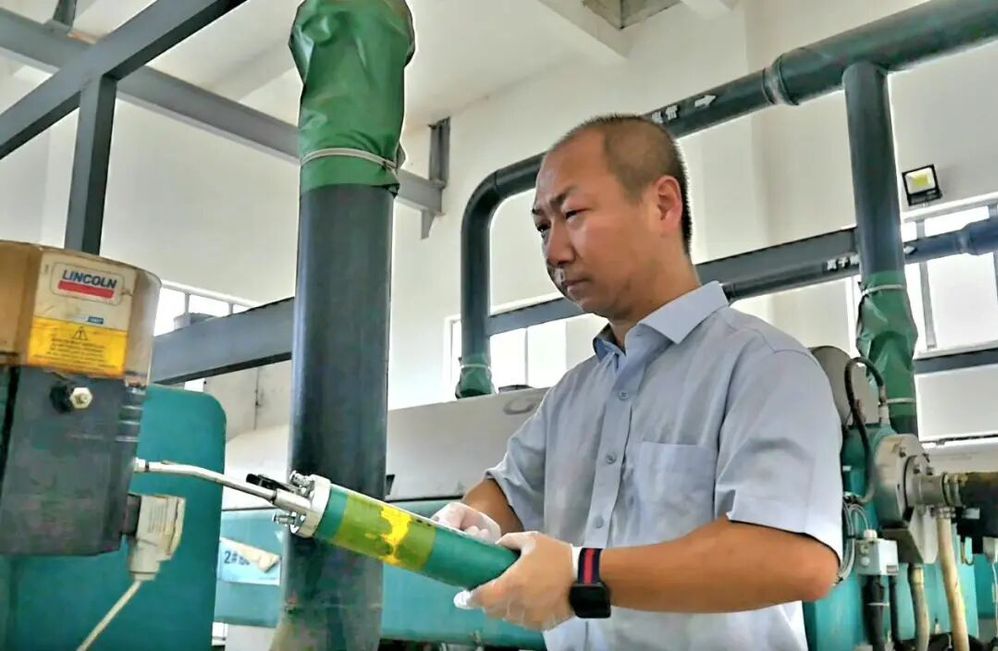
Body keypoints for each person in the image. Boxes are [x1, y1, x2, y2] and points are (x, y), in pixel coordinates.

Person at [433, 114, 843, 650]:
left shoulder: (765, 366)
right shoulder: (574, 393)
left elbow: (794, 558)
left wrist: (583, 572)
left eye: (572, 214)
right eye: (543, 228)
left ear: (663, 205)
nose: (554, 252)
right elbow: (508, 493)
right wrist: (472, 523)